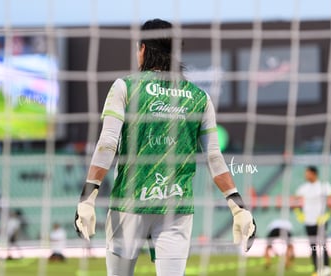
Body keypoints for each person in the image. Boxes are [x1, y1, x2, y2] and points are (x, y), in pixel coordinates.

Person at [74, 18, 256, 276]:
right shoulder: (199, 97)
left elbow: (106, 144)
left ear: (144, 50)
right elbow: (214, 157)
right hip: (176, 206)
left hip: (129, 203)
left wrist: (88, 197)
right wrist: (237, 205)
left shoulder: (124, 87)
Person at [294, 166, 331, 276]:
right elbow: (294, 201)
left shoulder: (324, 186)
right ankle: (317, 269)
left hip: (320, 221)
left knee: (323, 245)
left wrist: (327, 214)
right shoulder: (303, 188)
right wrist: (299, 214)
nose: (305, 175)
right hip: (308, 222)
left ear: (313, 174)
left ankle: (327, 268)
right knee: (312, 246)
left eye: (307, 173)